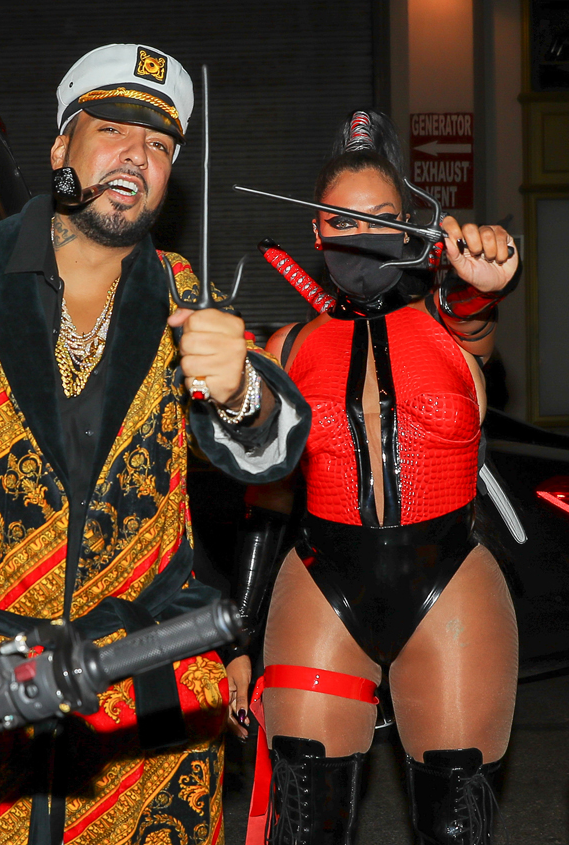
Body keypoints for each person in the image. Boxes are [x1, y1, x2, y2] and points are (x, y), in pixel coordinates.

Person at [0, 44, 310, 844]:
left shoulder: (184, 299)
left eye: (160, 146)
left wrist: (244, 389)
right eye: (113, 130)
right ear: (60, 147)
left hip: (141, 718)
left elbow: (272, 456)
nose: (136, 157)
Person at [225, 110, 520, 844]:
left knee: (456, 825)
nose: (363, 234)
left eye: (384, 217)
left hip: (448, 583)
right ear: (317, 235)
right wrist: (238, 634)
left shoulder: (448, 323)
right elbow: (267, 501)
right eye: (342, 220)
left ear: (414, 228)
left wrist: (480, 284)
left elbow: (472, 318)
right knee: (306, 826)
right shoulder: (287, 348)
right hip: (322, 585)